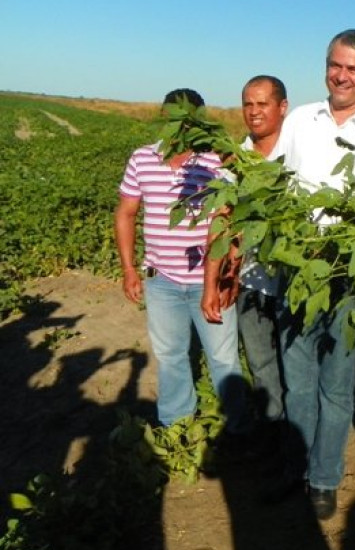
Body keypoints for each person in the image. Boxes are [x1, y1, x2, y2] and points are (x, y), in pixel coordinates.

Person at [274, 28, 355, 520]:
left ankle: (324, 478)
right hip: (296, 271)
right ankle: (297, 467)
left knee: (336, 384)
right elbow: (276, 182)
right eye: (336, 64)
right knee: (297, 381)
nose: (342, 75)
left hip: (347, 279)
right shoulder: (299, 120)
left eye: (353, 68)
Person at [114, 88, 250, 438]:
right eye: (175, 118)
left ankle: (236, 428)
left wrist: (225, 277)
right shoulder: (142, 158)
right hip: (160, 279)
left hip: (210, 279)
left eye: (191, 120)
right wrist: (129, 269)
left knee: (223, 357)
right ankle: (176, 426)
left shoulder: (218, 161)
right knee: (170, 355)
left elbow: (230, 224)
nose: (182, 126)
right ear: (163, 118)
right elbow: (126, 213)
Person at [201, 75, 289, 457]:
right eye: (248, 104)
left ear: (282, 107)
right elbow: (221, 223)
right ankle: (275, 442)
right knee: (262, 366)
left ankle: (301, 449)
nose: (254, 112)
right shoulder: (235, 159)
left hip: (295, 282)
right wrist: (213, 282)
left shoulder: (299, 152)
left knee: (298, 370)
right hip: (252, 282)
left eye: (262, 103)